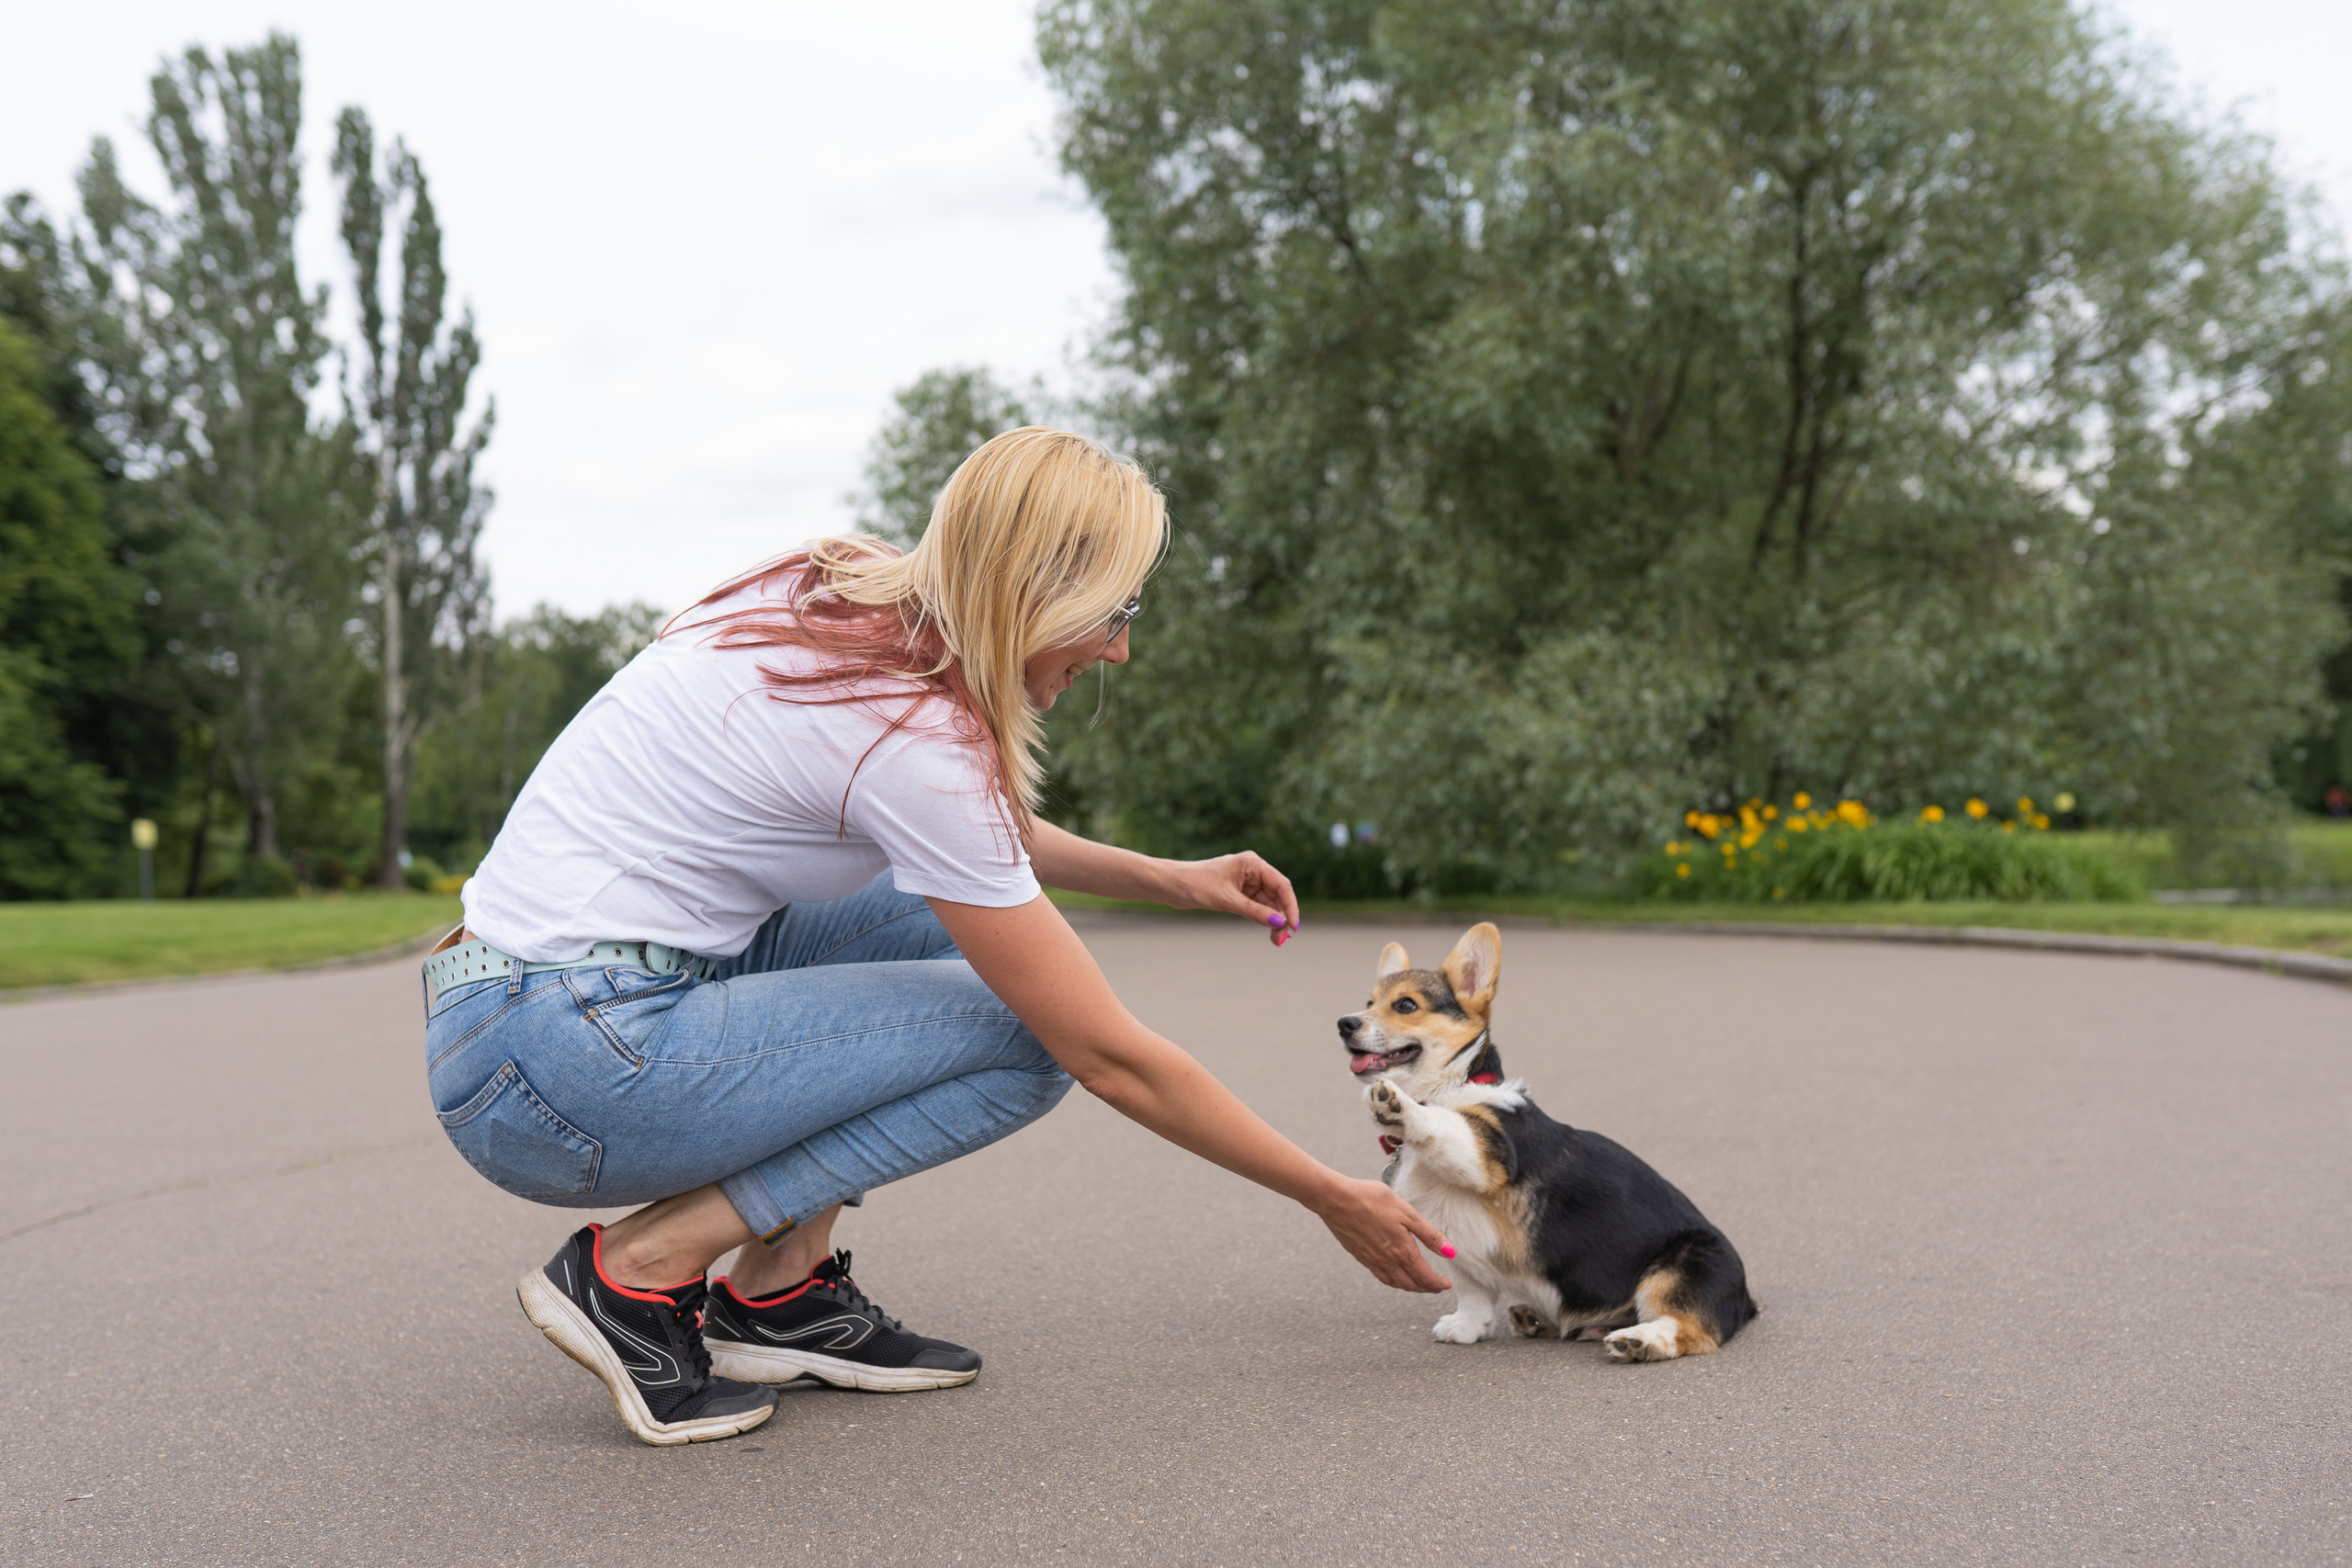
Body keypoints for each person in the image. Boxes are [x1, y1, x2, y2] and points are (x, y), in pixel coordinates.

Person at [422, 428, 1452, 1446]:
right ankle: (637, 1273)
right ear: (1039, 591)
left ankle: (780, 1294)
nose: (1121, 649)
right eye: (1116, 613)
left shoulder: (836, 580)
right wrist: (1327, 1195)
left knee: (935, 909)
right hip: (561, 1071)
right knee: (1033, 1037)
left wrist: (1163, 878)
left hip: (510, 1004)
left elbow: (958, 835)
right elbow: (1108, 1055)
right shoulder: (907, 736)